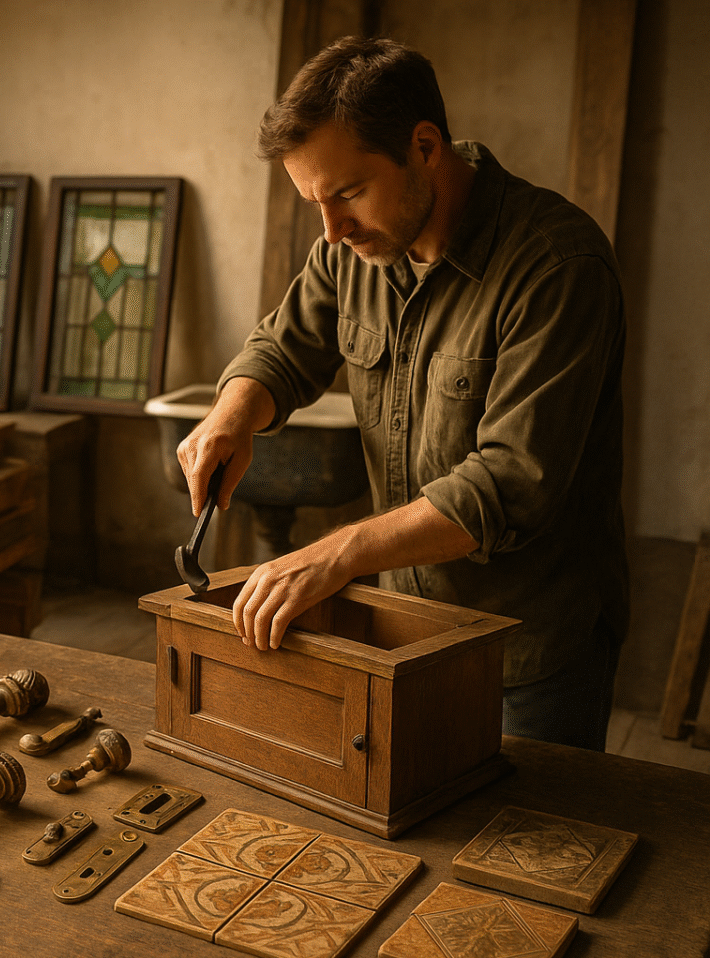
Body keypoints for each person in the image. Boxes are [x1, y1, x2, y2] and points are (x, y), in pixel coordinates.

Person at [177, 36, 628, 751]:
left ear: (424, 147)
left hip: (525, 653)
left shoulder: (557, 266)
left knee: (526, 825)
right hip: (401, 629)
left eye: (348, 193)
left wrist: (337, 553)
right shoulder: (354, 249)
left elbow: (510, 484)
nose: (331, 230)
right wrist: (230, 414)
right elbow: (283, 348)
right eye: (314, 201)